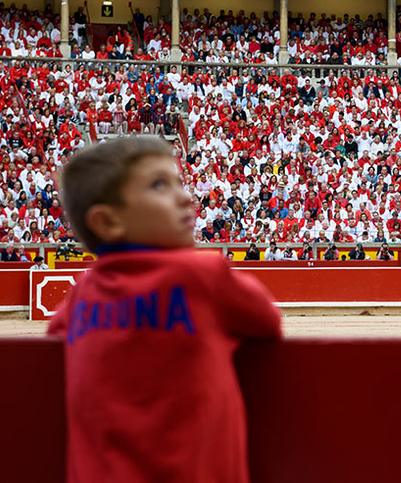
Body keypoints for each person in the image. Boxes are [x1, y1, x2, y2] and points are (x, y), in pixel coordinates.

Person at [47, 136, 281, 483]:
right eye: (159, 185)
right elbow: (267, 321)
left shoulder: (83, 292)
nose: (186, 197)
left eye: (178, 182)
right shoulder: (203, 275)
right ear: (108, 222)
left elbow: (55, 338)